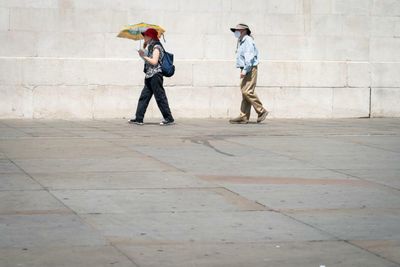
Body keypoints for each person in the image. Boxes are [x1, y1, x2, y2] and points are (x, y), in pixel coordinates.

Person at [129, 28, 175, 126]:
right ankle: (139, 118)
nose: (144, 37)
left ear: (150, 36)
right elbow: (150, 62)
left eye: (145, 35)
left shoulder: (157, 47)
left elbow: (154, 62)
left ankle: (168, 118)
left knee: (160, 97)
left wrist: (144, 56)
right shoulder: (150, 47)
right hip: (149, 75)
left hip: (156, 76)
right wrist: (143, 55)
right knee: (144, 97)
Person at [229, 23, 268, 124]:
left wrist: (245, 70)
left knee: (247, 91)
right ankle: (244, 116)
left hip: (250, 67)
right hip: (246, 67)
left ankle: (261, 111)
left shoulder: (248, 40)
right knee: (244, 92)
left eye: (238, 30)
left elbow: (249, 57)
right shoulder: (241, 41)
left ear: (244, 31)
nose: (236, 32)